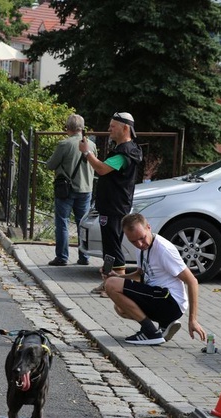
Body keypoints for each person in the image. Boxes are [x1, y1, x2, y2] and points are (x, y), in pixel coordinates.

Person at [104, 213, 207, 346]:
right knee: (120, 307)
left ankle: (150, 332)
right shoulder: (142, 248)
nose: (140, 244)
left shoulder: (164, 250)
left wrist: (193, 320)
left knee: (111, 285)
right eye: (133, 241)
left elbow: (192, 281)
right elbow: (140, 274)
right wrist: (117, 277)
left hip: (171, 302)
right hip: (157, 297)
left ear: (148, 227)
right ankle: (164, 325)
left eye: (142, 238)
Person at [79, 112, 142, 296]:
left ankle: (117, 286)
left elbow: (101, 169)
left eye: (112, 126)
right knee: (108, 245)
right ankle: (107, 281)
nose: (109, 130)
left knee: (113, 244)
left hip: (115, 206)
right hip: (111, 205)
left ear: (125, 128)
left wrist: (86, 152)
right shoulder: (123, 149)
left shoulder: (125, 152)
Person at [46, 114, 96, 266]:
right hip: (86, 188)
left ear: (67, 128)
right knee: (83, 224)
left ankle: (62, 257)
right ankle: (84, 257)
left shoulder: (64, 144)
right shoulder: (91, 145)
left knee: (62, 223)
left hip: (66, 190)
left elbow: (50, 165)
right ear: (82, 128)